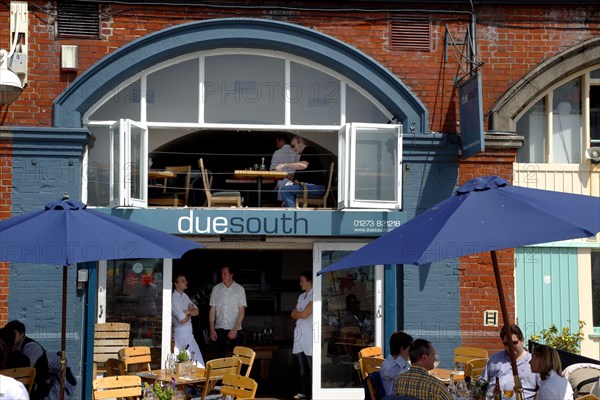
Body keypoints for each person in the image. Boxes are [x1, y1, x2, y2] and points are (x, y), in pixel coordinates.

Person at [480, 324, 540, 399]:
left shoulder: (534, 362)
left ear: (522, 340)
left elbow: (543, 388)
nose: (510, 347)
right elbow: (481, 383)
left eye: (514, 343)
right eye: (506, 344)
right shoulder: (494, 359)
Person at [276, 135, 325, 208]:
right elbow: (295, 179)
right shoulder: (304, 154)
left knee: (285, 190)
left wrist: (284, 165)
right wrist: (285, 175)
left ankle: (293, 213)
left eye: (293, 145)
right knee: (286, 190)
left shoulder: (309, 150)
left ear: (300, 142)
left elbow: (303, 165)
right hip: (309, 186)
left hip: (314, 187)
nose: (292, 148)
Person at [209, 265, 247, 358]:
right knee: (219, 358)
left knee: (237, 358)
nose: (222, 276)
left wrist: (235, 329)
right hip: (219, 328)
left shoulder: (239, 289)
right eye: (221, 273)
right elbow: (212, 309)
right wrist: (211, 328)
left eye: (225, 273)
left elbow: (241, 311)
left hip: (235, 329)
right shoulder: (216, 289)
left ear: (231, 274)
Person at [172, 272, 205, 368]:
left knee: (197, 364)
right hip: (180, 336)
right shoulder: (173, 298)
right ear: (176, 283)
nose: (186, 282)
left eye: (185, 280)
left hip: (189, 335)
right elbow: (181, 320)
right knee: (183, 363)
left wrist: (186, 312)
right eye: (183, 281)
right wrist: (190, 312)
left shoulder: (185, 296)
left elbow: (197, 311)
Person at [291, 271, 313, 400]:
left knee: (311, 365)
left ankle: (313, 392)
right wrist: (299, 314)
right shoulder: (301, 296)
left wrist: (298, 314)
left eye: (302, 281)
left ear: (309, 281)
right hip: (300, 334)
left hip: (310, 334)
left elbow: (305, 314)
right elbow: (293, 313)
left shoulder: (314, 294)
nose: (300, 283)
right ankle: (304, 391)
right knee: (302, 365)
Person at [380, 331, 413, 396]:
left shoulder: (404, 363)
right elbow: (400, 377)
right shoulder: (387, 366)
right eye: (410, 348)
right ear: (402, 349)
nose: (412, 351)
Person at [270, 134, 301, 201]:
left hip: (282, 181)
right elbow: (300, 167)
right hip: (295, 182)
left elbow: (273, 169)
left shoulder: (277, 153)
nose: (276, 145)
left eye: (277, 142)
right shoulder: (296, 152)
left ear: (281, 141)